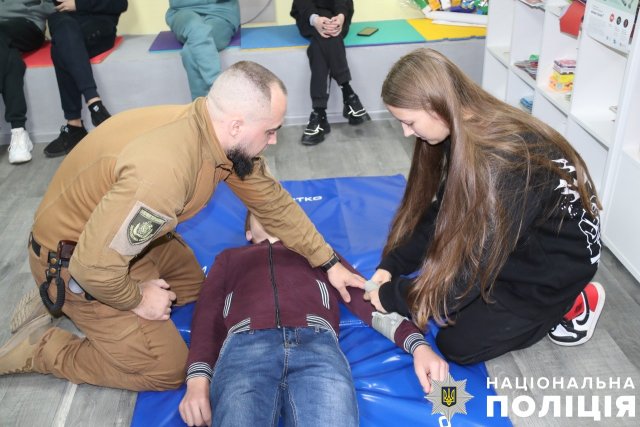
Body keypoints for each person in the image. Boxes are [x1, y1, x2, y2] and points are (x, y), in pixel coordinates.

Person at [0, 61, 363, 391]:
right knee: (168, 369)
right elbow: (93, 267)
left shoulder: (214, 132)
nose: (274, 140)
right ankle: (43, 344)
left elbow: (273, 203)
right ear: (237, 125)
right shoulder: (163, 173)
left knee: (197, 291)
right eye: (270, 131)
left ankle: (62, 301)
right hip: (79, 261)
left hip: (122, 241)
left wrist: (328, 262)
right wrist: (138, 298)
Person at [364, 48, 605, 365]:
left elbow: (463, 282)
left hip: (553, 270)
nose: (406, 132)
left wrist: (393, 296)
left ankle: (572, 302)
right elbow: (444, 213)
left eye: (409, 122)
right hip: (521, 242)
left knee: (457, 344)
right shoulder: (465, 128)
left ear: (437, 106)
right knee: (449, 298)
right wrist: (393, 264)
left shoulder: (503, 165)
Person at [178, 213, 447, 427]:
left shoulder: (318, 252)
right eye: (260, 210)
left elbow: (365, 298)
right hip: (246, 348)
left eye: (279, 210)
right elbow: (207, 315)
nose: (271, 212)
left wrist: (417, 345)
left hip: (316, 346)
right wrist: (197, 379)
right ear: (248, 233)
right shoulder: (229, 258)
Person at [42, 0, 128, 158]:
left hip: (97, 26)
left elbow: (120, 4)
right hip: (64, 24)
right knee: (63, 32)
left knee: (59, 48)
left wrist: (79, 4)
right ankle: (95, 105)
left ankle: (74, 125)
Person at [291, 0, 370, 145]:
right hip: (308, 17)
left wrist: (340, 16)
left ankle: (319, 113)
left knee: (319, 48)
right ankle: (348, 93)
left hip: (337, 18)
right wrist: (315, 19)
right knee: (327, 38)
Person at [0, 0, 55, 164]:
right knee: (12, 61)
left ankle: (19, 132)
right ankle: (18, 131)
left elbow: (53, 5)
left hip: (28, 23)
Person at [166, 0, 240, 100]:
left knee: (190, 53)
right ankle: (220, 91)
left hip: (221, 12)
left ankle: (201, 107)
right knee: (197, 30)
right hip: (182, 12)